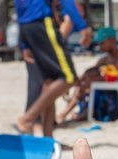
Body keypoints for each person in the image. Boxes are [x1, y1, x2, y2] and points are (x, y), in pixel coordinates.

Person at [14, 0, 91, 135]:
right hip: (42, 24)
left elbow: (19, 8)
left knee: (49, 82)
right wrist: (83, 26)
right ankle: (28, 118)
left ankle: (48, 140)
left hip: (27, 27)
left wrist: (24, 43)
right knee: (69, 77)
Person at [56, 27, 118, 124]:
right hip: (105, 90)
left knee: (89, 82)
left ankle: (70, 113)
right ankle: (66, 113)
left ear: (112, 40)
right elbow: (88, 73)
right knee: (87, 78)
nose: (100, 46)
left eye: (102, 43)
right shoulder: (104, 59)